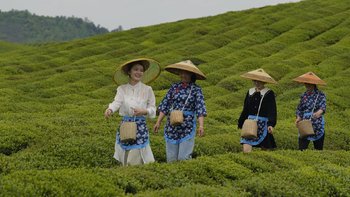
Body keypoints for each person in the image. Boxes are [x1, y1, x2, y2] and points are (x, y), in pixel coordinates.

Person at [104, 58, 160, 166]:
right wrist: (110, 109)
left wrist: (144, 111)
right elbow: (117, 102)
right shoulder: (122, 89)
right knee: (125, 152)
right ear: (129, 72)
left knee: (137, 154)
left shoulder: (147, 89)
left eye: (141, 70)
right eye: (136, 69)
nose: (139, 72)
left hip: (140, 126)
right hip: (126, 124)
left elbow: (153, 109)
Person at [153, 60, 207, 162]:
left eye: (186, 73)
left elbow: (200, 108)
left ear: (192, 74)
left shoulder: (196, 89)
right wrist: (158, 122)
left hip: (187, 125)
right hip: (172, 124)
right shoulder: (174, 87)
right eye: (182, 72)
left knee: (184, 158)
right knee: (171, 158)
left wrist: (201, 126)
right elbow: (165, 104)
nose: (183, 75)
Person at [238, 68, 277, 153]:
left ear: (264, 82)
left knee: (265, 148)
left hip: (263, 123)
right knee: (246, 145)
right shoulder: (250, 92)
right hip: (250, 123)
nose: (257, 83)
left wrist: (271, 124)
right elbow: (245, 109)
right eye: (255, 81)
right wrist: (241, 122)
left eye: (259, 81)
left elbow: (272, 110)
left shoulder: (269, 93)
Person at [293, 72, 326, 150]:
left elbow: (323, 106)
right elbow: (300, 109)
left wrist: (319, 112)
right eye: (306, 83)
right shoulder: (303, 95)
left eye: (309, 83)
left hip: (317, 122)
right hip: (305, 123)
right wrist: (298, 118)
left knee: (318, 149)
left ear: (314, 84)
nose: (307, 85)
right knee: (301, 148)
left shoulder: (320, 94)